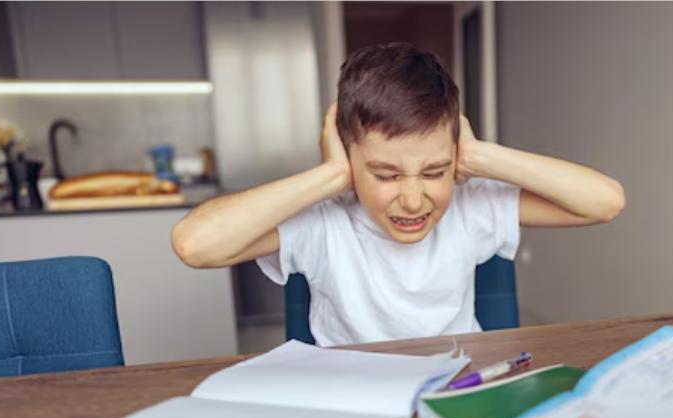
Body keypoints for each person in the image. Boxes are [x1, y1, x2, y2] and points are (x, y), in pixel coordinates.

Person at [172, 42, 625, 346]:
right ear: (351, 161)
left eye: (434, 171)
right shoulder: (323, 220)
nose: (413, 200)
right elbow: (195, 245)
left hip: (457, 387)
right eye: (386, 175)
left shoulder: (472, 205)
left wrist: (481, 156)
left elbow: (605, 202)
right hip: (353, 402)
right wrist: (332, 176)